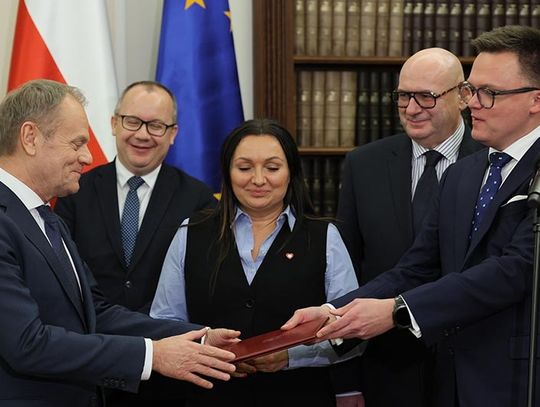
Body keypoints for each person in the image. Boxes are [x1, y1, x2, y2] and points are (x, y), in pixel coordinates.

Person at [284, 25, 540, 407]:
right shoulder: (463, 174)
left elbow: (514, 270)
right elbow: (416, 266)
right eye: (471, 91)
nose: (471, 104)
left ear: (535, 100)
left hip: (519, 380)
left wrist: (399, 311)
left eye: (488, 93)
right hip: (450, 380)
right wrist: (335, 313)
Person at [0, 79, 239, 406]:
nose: (87, 156)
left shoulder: (46, 218)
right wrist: (152, 355)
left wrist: (198, 337)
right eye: (77, 143)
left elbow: (94, 312)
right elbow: (26, 343)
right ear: (30, 138)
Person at [150, 118, 361, 407]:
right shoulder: (190, 233)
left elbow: (352, 335)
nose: (258, 180)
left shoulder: (325, 237)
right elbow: (164, 323)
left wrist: (289, 357)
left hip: (300, 395)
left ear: (291, 173)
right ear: (228, 173)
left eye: (272, 168)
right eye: (245, 167)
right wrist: (208, 351)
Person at [335, 48, 482, 406]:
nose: (412, 109)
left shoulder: (491, 162)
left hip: (474, 360)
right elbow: (347, 270)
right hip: (387, 364)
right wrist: (346, 380)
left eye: (427, 97)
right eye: (403, 96)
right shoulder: (362, 165)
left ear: (463, 96)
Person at [54, 81, 216, 405]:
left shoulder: (199, 199)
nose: (142, 135)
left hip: (169, 376)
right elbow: (67, 278)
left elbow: (198, 285)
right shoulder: (74, 191)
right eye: (132, 121)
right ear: (114, 124)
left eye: (156, 125)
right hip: (90, 367)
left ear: (173, 133)